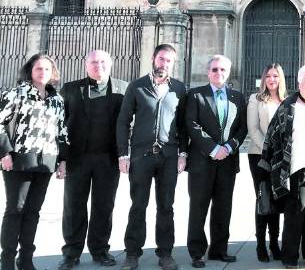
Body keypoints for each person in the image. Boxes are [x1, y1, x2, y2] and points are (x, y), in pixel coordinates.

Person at [116, 44, 188, 270]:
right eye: (161, 59)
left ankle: (165, 253)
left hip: (169, 155)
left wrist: (183, 153)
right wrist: (123, 154)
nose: (163, 64)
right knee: (138, 205)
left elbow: (183, 124)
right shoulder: (137, 86)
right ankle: (132, 254)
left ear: (172, 64)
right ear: (153, 59)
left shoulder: (179, 88)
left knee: (166, 206)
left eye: (168, 61)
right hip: (141, 155)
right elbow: (123, 121)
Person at [259, 64, 305, 269]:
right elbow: (273, 137)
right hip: (296, 168)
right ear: (299, 82)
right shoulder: (288, 106)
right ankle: (290, 257)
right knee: (296, 212)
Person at [58, 50, 128, 270]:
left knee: (104, 207)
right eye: (93, 62)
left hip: (108, 159)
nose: (98, 65)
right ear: (86, 65)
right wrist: (62, 158)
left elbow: (127, 124)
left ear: (110, 64)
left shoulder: (123, 89)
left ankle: (100, 250)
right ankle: (71, 253)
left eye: (103, 62)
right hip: (77, 158)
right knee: (73, 206)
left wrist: (123, 155)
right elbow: (60, 125)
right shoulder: (70, 89)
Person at [0, 54, 67, 270]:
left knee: (33, 211)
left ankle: (26, 259)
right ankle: (7, 260)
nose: (42, 73)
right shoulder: (16, 94)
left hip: (46, 162)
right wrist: (5, 153)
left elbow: (63, 132)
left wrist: (63, 160)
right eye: (38, 68)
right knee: (15, 209)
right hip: (19, 160)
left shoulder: (57, 99)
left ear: (52, 73)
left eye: (47, 69)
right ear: (30, 70)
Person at [185, 55, 247, 268]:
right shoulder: (195, 95)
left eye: (222, 70)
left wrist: (229, 147)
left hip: (228, 162)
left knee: (223, 208)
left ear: (228, 72)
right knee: (198, 207)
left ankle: (219, 250)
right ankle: (197, 252)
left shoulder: (238, 97)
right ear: (208, 72)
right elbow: (191, 125)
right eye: (214, 70)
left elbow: (243, 127)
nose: (218, 73)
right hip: (202, 161)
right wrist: (212, 148)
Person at [246, 63, 286, 263]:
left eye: (276, 76)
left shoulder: (288, 100)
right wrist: (269, 151)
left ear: (281, 79)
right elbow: (253, 129)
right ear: (264, 79)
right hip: (260, 157)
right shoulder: (256, 99)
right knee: (263, 198)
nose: (272, 79)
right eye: (269, 76)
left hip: (282, 159)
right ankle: (261, 244)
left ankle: (274, 243)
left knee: (277, 199)